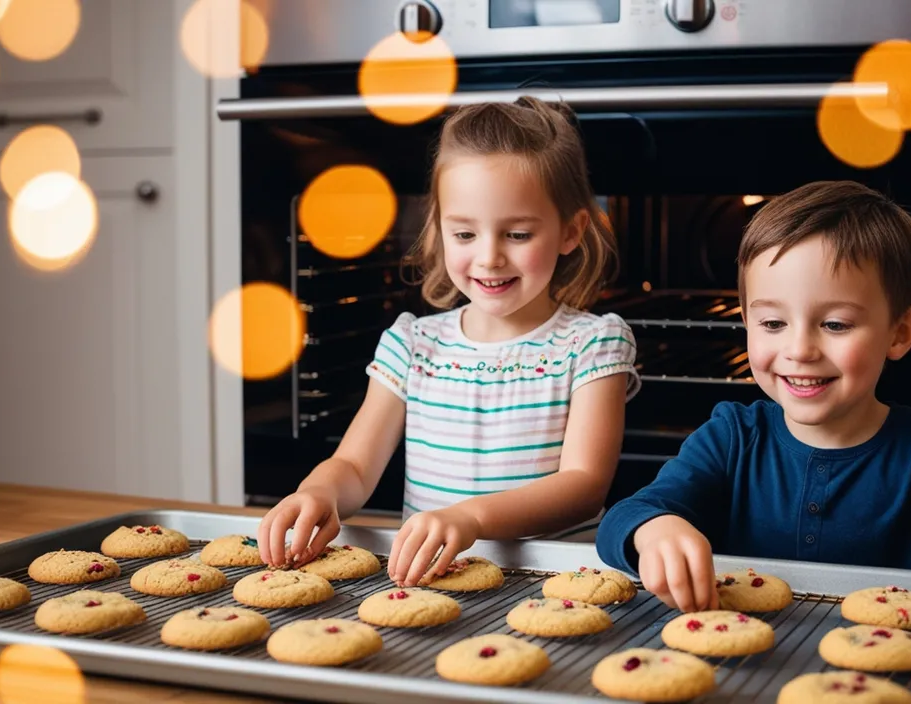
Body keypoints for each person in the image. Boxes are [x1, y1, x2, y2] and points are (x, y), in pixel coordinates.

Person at [594, 180, 911, 702]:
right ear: (745, 322)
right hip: (732, 679)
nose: (799, 349)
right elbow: (627, 514)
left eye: (836, 324)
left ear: (900, 332)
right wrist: (654, 528)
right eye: (772, 322)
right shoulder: (732, 436)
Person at [259, 97, 640, 589]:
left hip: (555, 585)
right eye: (464, 233)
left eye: (518, 233)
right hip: (434, 582)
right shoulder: (413, 345)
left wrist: (471, 519)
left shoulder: (592, 344)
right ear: (439, 229)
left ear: (571, 231)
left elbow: (583, 486)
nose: (489, 257)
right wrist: (319, 493)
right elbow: (354, 464)